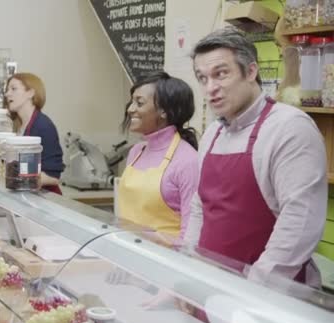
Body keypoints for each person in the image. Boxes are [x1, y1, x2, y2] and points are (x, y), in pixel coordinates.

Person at [186, 27, 327, 287]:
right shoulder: (213, 133)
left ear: (251, 71)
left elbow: (299, 221)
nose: (210, 88)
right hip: (209, 286)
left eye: (221, 74)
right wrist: (187, 273)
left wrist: (252, 292)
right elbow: (199, 207)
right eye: (202, 78)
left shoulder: (289, 127)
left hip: (267, 298)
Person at [117, 71, 199, 244]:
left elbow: (190, 235)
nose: (130, 109)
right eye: (131, 101)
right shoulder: (136, 151)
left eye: (139, 103)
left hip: (164, 262)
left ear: (164, 111)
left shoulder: (188, 161)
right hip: (128, 253)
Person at [5, 73, 65, 194]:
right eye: (7, 90)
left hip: (45, 201)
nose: (7, 94)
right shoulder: (18, 126)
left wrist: (17, 179)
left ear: (30, 93)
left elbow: (53, 176)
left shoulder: (43, 126)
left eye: (13, 89)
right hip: (27, 197)